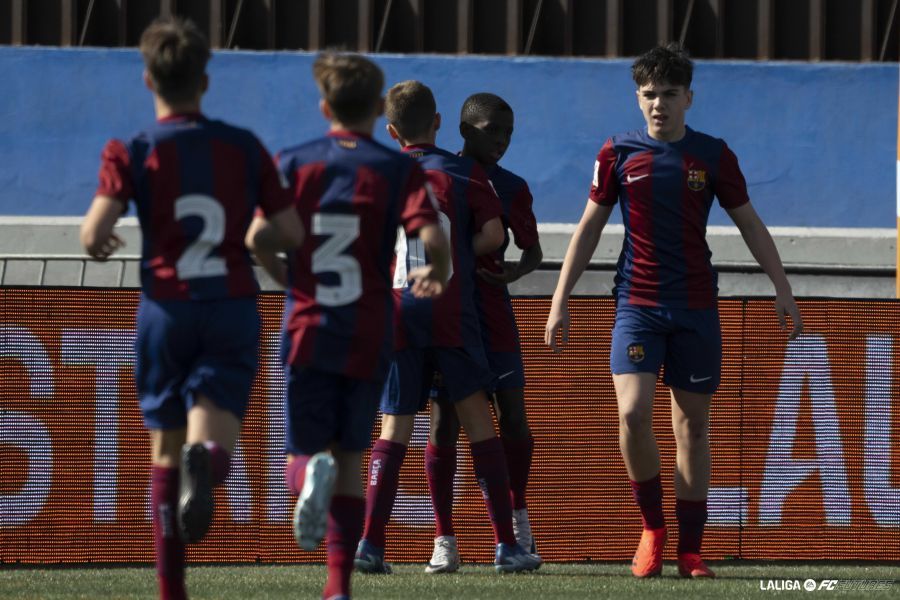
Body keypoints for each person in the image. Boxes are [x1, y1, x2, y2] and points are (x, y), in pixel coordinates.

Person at [544, 43, 803, 579]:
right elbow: (589, 227)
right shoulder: (616, 152)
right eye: (648, 94)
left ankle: (690, 550)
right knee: (633, 413)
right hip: (637, 304)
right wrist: (560, 298)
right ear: (637, 99)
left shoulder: (712, 155)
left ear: (689, 97)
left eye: (667, 94)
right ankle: (652, 529)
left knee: (692, 428)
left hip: (696, 307)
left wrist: (782, 288)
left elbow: (750, 223)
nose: (657, 103)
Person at [80, 17, 304, 600]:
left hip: (165, 308)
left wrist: (100, 242)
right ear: (205, 81)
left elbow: (94, 232)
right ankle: (207, 462)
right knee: (211, 439)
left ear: (148, 77)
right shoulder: (243, 146)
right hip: (229, 304)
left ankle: (171, 591)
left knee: (163, 450)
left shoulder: (131, 149)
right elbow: (287, 229)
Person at [246, 57, 449, 600]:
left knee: (304, 455)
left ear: (324, 107)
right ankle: (339, 588)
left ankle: (308, 476)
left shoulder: (295, 161)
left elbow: (257, 239)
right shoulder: (396, 168)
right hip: (369, 327)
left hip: (310, 323)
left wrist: (289, 278)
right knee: (353, 457)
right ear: (377, 109)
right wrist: (441, 268)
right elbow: (429, 231)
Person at [352, 80, 542, 576]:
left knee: (394, 427)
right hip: (453, 313)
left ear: (391, 131)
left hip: (397, 313)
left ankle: (370, 543)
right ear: (439, 123)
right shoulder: (465, 174)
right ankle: (507, 545)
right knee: (480, 422)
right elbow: (495, 236)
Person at [427, 92, 544, 558]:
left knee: (514, 418)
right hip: (449, 312)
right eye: (492, 131)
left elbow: (531, 251)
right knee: (443, 425)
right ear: (463, 131)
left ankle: (517, 520)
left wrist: (514, 271)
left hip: (493, 315)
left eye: (508, 133)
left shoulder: (512, 186)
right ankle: (444, 539)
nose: (501, 140)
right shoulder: (440, 174)